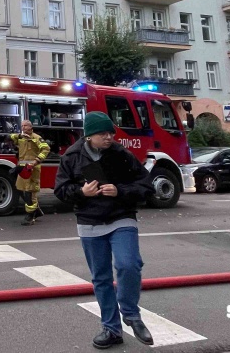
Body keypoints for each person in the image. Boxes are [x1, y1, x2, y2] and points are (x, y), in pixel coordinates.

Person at [53, 112, 155, 349]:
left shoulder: (122, 155)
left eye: (111, 133)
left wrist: (120, 191)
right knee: (101, 278)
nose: (109, 137)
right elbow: (60, 190)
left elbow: (146, 185)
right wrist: (81, 193)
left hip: (121, 217)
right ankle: (111, 329)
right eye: (103, 134)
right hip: (89, 222)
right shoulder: (71, 157)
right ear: (89, 135)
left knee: (129, 264)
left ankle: (130, 314)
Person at [10, 119, 50, 226]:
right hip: (22, 168)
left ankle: (30, 216)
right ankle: (36, 211)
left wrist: (36, 161)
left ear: (31, 127)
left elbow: (46, 149)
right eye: (22, 125)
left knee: (30, 193)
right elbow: (10, 137)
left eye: (25, 126)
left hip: (32, 169)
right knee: (20, 189)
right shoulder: (21, 138)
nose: (23, 127)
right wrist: (19, 136)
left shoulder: (36, 138)